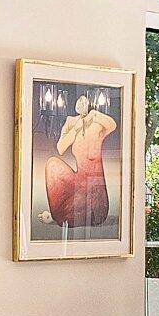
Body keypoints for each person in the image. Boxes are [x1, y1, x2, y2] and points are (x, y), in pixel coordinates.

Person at [40, 90, 118, 231]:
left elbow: (112, 125)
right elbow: (60, 147)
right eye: (79, 100)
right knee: (52, 164)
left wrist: (94, 114)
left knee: (95, 214)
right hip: (80, 180)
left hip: (95, 182)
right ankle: (57, 214)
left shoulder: (97, 122)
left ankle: (63, 215)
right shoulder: (71, 122)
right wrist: (75, 129)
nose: (82, 102)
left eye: (85, 100)